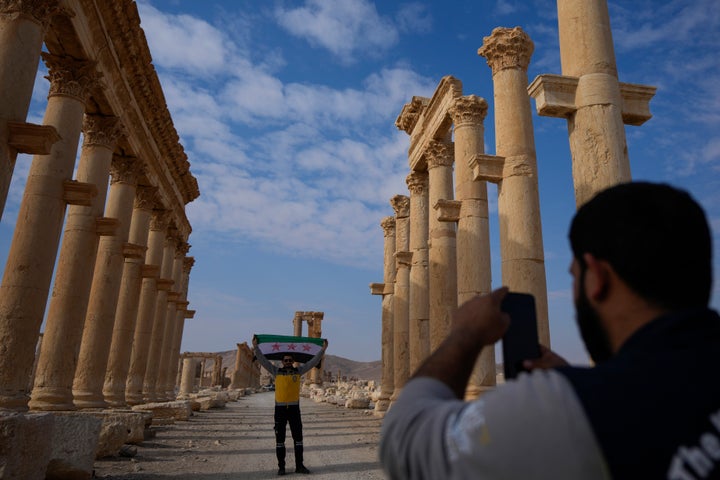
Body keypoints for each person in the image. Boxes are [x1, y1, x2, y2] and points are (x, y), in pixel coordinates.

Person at [380, 181, 720, 479]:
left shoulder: (570, 413)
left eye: (573, 276)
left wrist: (464, 335)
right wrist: (580, 380)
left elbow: (405, 443)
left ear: (597, 278)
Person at [253, 336, 328, 475]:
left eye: (290, 360)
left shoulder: (298, 372)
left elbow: (312, 363)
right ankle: (281, 467)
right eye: (285, 360)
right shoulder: (276, 372)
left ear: (293, 362)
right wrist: (256, 348)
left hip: (294, 410)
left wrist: (322, 350)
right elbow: (263, 361)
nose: (288, 362)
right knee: (280, 440)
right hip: (280, 410)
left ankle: (299, 466)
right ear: (282, 362)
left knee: (298, 439)